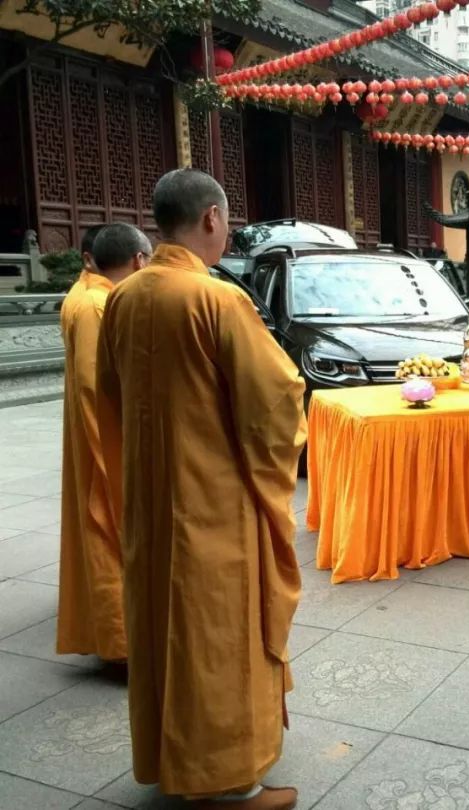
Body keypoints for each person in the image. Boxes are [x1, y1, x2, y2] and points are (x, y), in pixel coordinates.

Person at [96, 169, 307, 809]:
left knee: (165, 628)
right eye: (227, 223)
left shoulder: (124, 298)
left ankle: (170, 755)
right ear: (211, 219)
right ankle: (231, 780)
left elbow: (111, 393)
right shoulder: (216, 300)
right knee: (217, 637)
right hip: (214, 503)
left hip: (152, 498)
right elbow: (274, 399)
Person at [57, 224, 149, 670]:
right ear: (138, 261)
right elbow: (98, 390)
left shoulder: (83, 292)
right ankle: (122, 646)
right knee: (109, 530)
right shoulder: (97, 304)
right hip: (104, 439)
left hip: (92, 433)